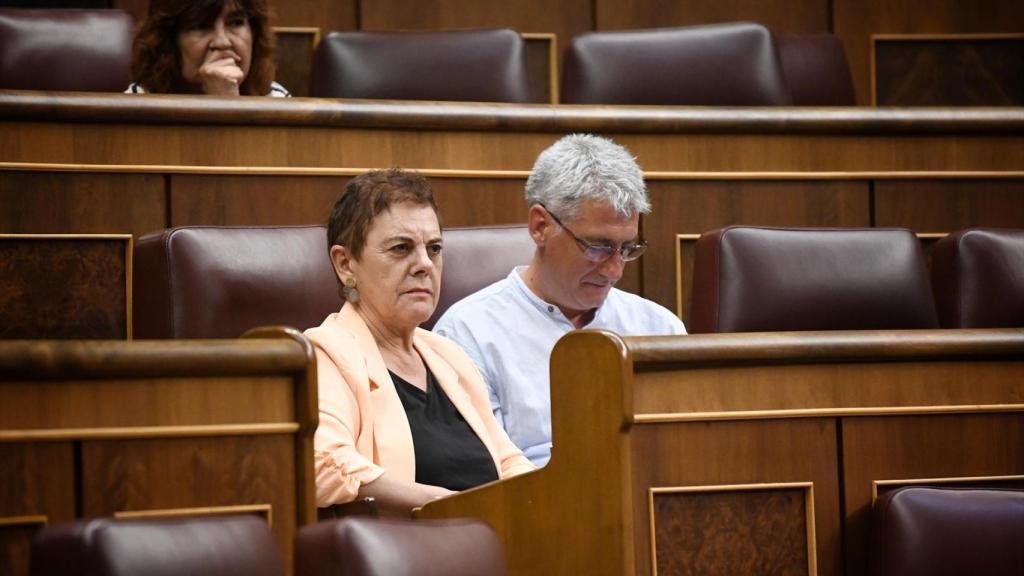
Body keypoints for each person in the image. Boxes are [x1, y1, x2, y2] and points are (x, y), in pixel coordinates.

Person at [434, 134, 687, 467]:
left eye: (627, 250)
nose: (614, 270)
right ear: (541, 227)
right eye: (597, 247)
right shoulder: (467, 334)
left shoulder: (660, 327)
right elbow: (484, 476)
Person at [308, 168, 534, 514]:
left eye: (434, 248)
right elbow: (322, 465)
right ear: (345, 264)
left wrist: (549, 497)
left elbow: (508, 462)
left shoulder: (447, 355)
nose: (425, 264)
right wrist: (452, 507)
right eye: (401, 248)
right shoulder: (327, 353)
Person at [126, 0, 289, 97]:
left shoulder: (276, 99)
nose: (223, 42)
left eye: (236, 23)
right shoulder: (135, 105)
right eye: (200, 26)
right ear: (169, 42)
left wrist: (229, 104)